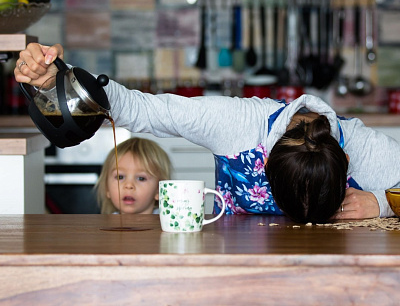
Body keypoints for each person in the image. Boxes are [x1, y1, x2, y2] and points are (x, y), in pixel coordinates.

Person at [15, 43, 400, 223]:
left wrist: (381, 202)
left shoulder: (365, 147)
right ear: (264, 160)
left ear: (346, 161)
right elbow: (141, 108)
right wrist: (57, 80)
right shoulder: (236, 123)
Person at [95, 137, 172, 214]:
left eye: (141, 178)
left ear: (160, 189)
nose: (128, 185)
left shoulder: (167, 224)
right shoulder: (105, 225)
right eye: (120, 177)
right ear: (107, 188)